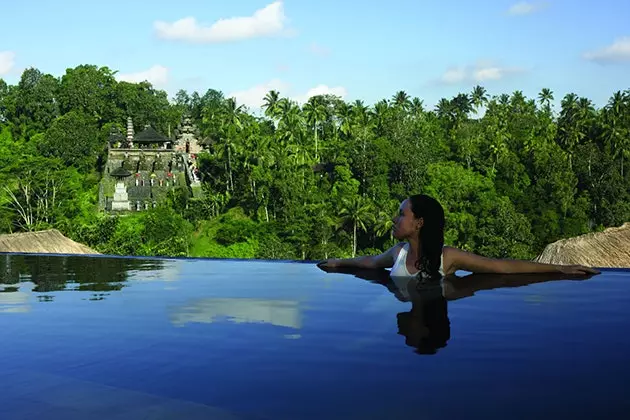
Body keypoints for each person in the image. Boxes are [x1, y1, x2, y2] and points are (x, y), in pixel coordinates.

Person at [317, 194, 601, 277]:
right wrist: (339, 262)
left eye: (402, 213)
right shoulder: (399, 253)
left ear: (419, 223)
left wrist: (560, 269)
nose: (395, 218)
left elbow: (500, 266)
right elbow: (370, 262)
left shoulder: (447, 257)